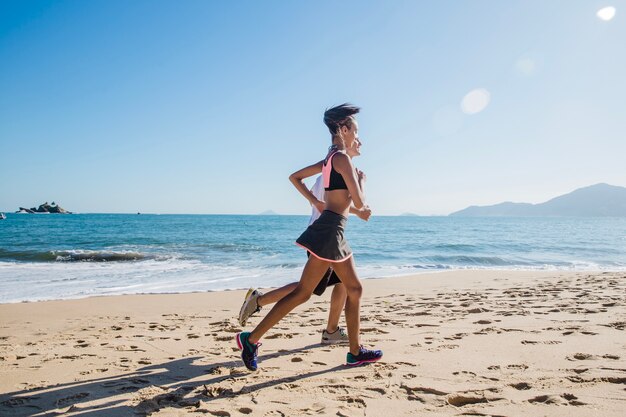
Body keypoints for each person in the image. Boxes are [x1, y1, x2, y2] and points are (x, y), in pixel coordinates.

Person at [236, 103, 383, 370]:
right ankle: (251, 338)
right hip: (330, 231)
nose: (357, 135)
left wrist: (316, 202)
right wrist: (362, 182)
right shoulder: (341, 159)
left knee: (347, 289)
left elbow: (295, 177)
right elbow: (359, 203)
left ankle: (354, 351)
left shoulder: (329, 158)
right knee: (306, 292)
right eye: (355, 130)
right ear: (343, 128)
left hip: (331, 229)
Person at [237, 142, 371, 345]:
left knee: (343, 284)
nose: (360, 142)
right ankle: (259, 301)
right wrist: (359, 206)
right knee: (306, 289)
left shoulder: (341, 168)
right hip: (323, 237)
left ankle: (331, 330)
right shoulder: (330, 170)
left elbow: (339, 201)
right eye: (356, 136)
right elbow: (329, 202)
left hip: (330, 237)